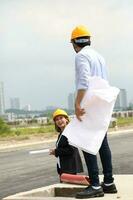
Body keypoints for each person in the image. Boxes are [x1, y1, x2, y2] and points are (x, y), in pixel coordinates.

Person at [70, 25, 117, 198]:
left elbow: (83, 81)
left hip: (89, 104)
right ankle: (109, 182)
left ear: (74, 43)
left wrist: (77, 104)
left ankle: (96, 185)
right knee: (102, 143)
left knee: (87, 142)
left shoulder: (81, 56)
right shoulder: (99, 56)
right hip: (102, 104)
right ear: (89, 40)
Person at [49, 108, 83, 177]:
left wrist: (56, 151)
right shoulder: (62, 133)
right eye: (57, 119)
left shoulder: (70, 132)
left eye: (61, 118)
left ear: (66, 119)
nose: (59, 121)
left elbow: (71, 149)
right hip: (64, 168)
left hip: (70, 168)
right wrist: (55, 152)